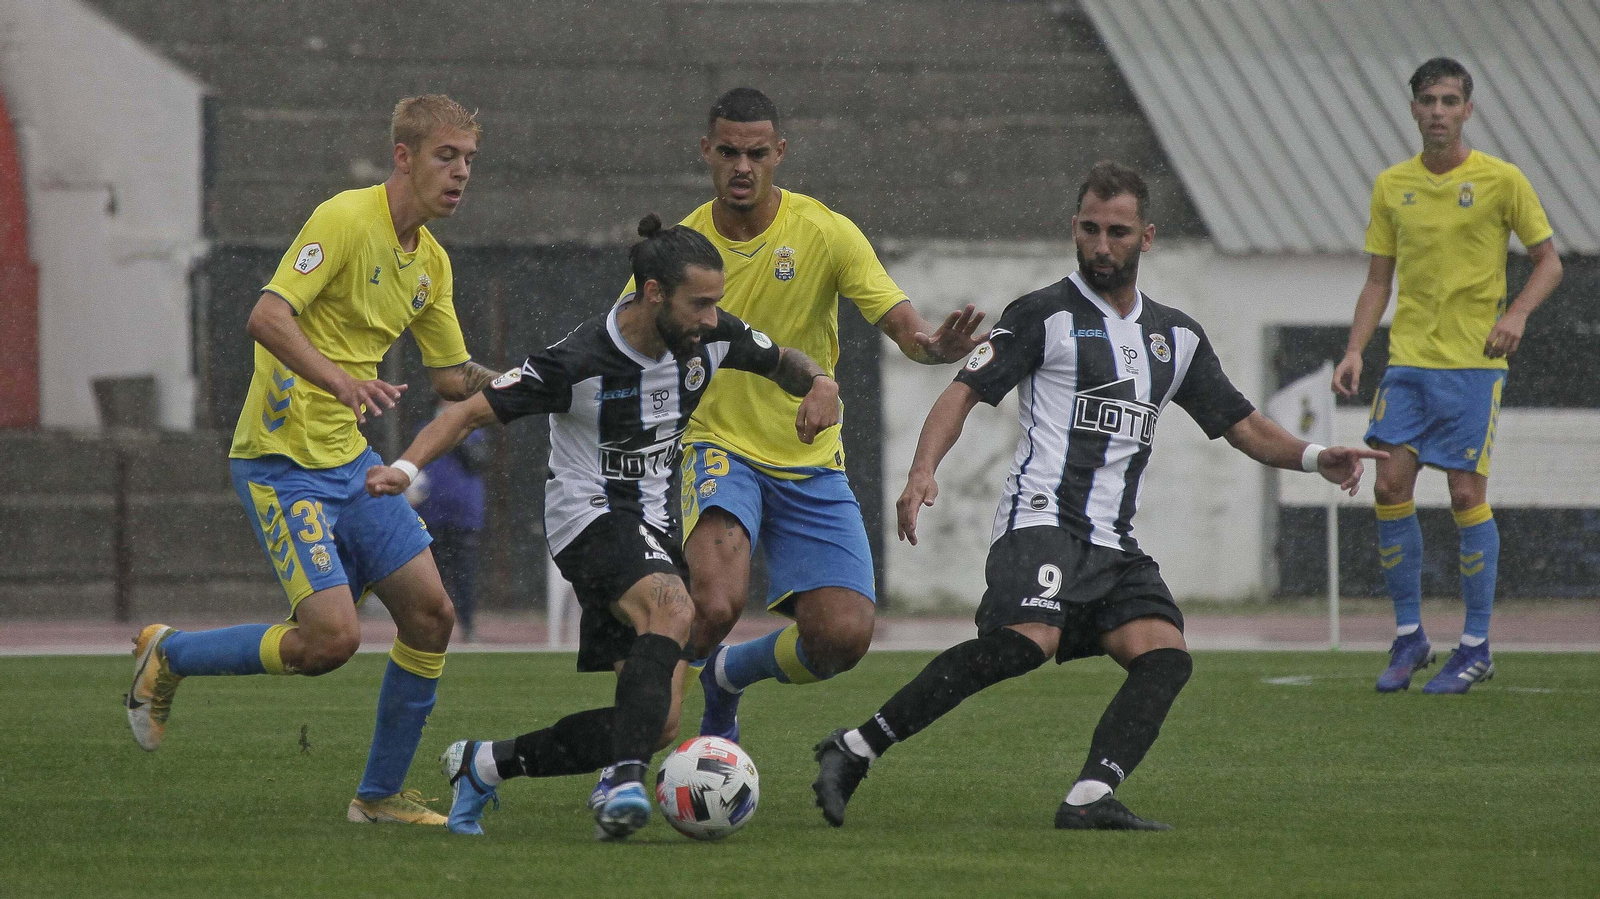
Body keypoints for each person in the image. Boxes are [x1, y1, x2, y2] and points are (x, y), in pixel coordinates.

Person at [812, 162, 1385, 831]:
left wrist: (1317, 457)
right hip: (1041, 521)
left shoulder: (1177, 338)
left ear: (1147, 238)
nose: (1101, 245)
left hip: (1113, 543)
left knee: (1164, 655)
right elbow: (962, 391)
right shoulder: (1042, 314)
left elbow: (1244, 425)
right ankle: (855, 746)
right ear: (1074, 229)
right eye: (1090, 229)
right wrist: (920, 472)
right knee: (1028, 641)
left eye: (1117, 231)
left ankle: (1089, 796)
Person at [367, 215, 840, 839]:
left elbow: (785, 361)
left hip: (649, 529)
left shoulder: (712, 337)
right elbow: (464, 415)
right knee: (675, 606)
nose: (710, 317)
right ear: (652, 294)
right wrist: (404, 467)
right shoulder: (578, 359)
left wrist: (823, 383)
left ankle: (485, 765)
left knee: (659, 721)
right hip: (586, 518)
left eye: (715, 304)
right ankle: (622, 780)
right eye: (699, 304)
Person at [125, 95, 503, 826]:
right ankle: (171, 655)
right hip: (279, 461)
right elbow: (266, 315)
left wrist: (533, 380)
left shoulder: (430, 263)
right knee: (330, 641)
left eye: (469, 161)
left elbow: (454, 378)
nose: (460, 174)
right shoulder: (344, 219)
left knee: (433, 614)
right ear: (403, 155)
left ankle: (380, 795)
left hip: (350, 462)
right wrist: (338, 378)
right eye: (445, 156)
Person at [619, 87, 984, 752]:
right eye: (728, 150)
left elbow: (904, 327)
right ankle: (628, 758)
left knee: (842, 635)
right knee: (717, 601)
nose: (742, 165)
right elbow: (625, 337)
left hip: (809, 459)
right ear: (706, 151)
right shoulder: (681, 248)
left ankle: (728, 676)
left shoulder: (824, 231)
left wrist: (935, 348)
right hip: (718, 444)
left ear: (779, 153)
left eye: (757, 152)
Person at [1332, 58, 1561, 695]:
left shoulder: (1501, 180)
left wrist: (1516, 313)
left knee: (1465, 495)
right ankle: (1410, 637)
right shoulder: (1392, 185)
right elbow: (1379, 278)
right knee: (1388, 486)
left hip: (1473, 366)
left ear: (1467, 110)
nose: (1438, 110)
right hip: (1407, 363)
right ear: (1413, 109)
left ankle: (1476, 645)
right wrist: (1355, 350)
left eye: (1449, 100)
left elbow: (1549, 263)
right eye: (1428, 100)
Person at [407, 402, 489, 642]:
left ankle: (467, 627)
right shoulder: (424, 429)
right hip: (430, 515)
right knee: (431, 577)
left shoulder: (474, 431)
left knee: (464, 575)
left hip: (463, 517)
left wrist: (454, 431)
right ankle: (428, 628)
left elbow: (477, 461)